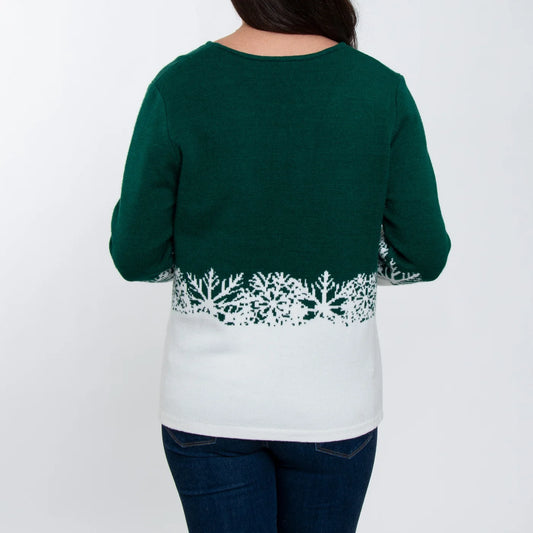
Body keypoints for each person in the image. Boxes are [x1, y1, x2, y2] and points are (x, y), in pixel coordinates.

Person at [108, 1, 451, 531]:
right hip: (332, 405)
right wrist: (343, 261)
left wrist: (210, 259)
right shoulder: (380, 90)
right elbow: (422, 255)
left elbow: (136, 256)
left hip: (210, 404)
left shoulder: (180, 86)